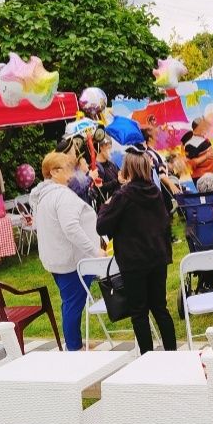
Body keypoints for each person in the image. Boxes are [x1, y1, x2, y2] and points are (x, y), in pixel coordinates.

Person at [96, 147, 177, 354]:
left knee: (139, 312)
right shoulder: (156, 193)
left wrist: (106, 206)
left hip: (134, 261)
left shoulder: (123, 196)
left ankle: (148, 358)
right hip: (157, 257)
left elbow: (102, 226)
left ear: (127, 169)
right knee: (160, 308)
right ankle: (172, 353)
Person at [30, 152, 104, 352]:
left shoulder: (44, 195)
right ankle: (74, 348)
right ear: (53, 172)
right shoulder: (61, 195)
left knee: (70, 302)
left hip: (58, 258)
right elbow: (71, 228)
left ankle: (75, 342)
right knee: (73, 303)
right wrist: (94, 251)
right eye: (68, 168)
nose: (73, 173)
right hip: (73, 260)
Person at [142, 126, 181, 214]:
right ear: (150, 139)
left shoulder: (153, 152)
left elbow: (163, 167)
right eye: (154, 134)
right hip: (161, 189)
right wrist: (171, 184)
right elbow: (160, 173)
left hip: (162, 188)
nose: (157, 135)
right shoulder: (149, 153)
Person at [182, 117, 213, 187]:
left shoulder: (202, 138)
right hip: (202, 177)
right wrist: (206, 156)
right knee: (211, 196)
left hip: (212, 172)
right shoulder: (190, 143)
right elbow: (191, 163)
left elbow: (204, 153)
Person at [55, 136, 92, 204]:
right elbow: (77, 190)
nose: (76, 155)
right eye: (74, 153)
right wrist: (90, 177)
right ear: (67, 156)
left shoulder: (71, 168)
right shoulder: (64, 173)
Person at [91, 138, 120, 205]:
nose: (111, 151)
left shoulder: (112, 164)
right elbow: (99, 189)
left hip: (117, 203)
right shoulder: (95, 168)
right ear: (101, 147)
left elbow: (120, 176)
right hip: (106, 208)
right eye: (109, 148)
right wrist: (117, 181)